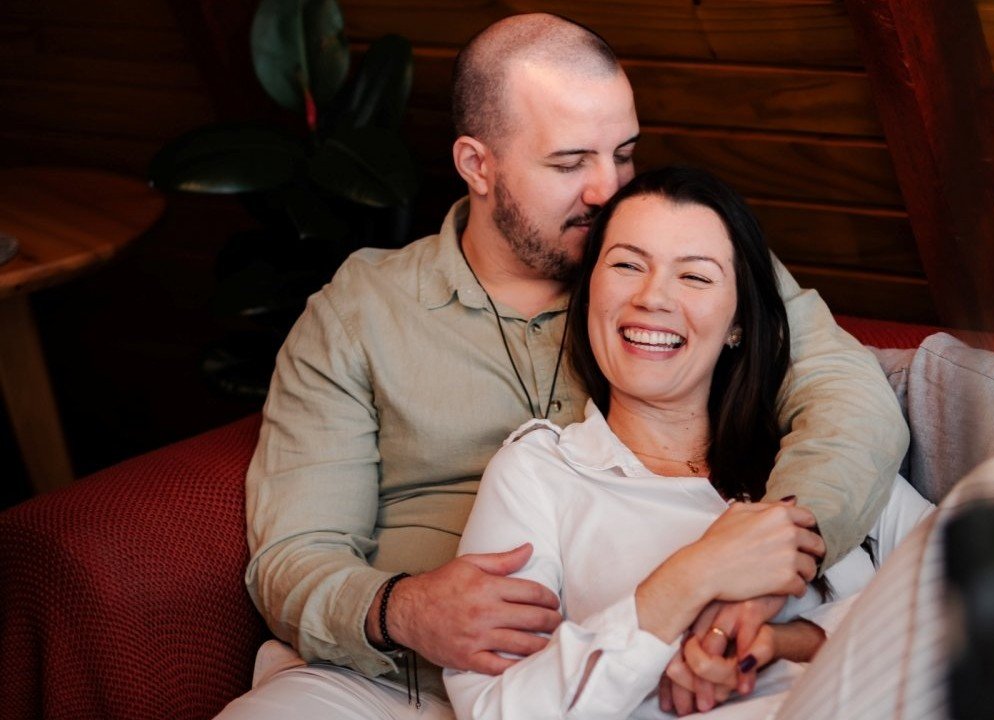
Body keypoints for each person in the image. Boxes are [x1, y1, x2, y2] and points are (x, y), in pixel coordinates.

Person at [219, 13, 908, 719]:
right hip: (390, 681)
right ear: (477, 164)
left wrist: (764, 569)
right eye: (570, 162)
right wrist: (407, 610)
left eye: (624, 154)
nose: (608, 190)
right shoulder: (361, 310)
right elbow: (295, 556)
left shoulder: (683, 264)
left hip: (629, 664)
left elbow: (852, 404)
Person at [443, 166, 935, 719]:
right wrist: (691, 576)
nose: (653, 297)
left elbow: (977, 593)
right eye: (627, 265)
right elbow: (495, 710)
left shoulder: (812, 459)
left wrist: (791, 640)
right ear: (589, 294)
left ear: (737, 324)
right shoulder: (538, 472)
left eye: (695, 277)